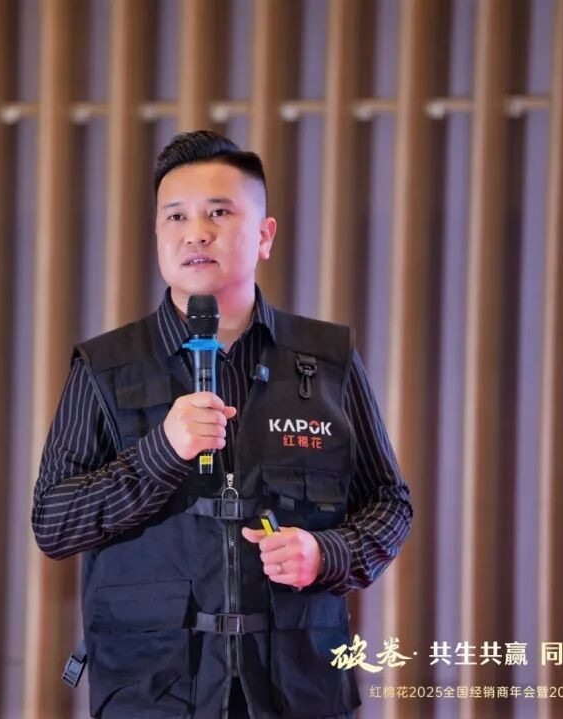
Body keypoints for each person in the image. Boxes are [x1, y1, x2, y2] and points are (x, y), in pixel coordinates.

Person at [32, 130, 413, 718]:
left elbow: (390, 503)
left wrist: (326, 552)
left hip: (297, 687)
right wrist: (161, 452)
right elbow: (54, 523)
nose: (195, 232)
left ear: (264, 235)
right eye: (175, 216)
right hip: (155, 692)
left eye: (218, 212)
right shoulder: (106, 365)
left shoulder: (325, 357)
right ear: (158, 235)